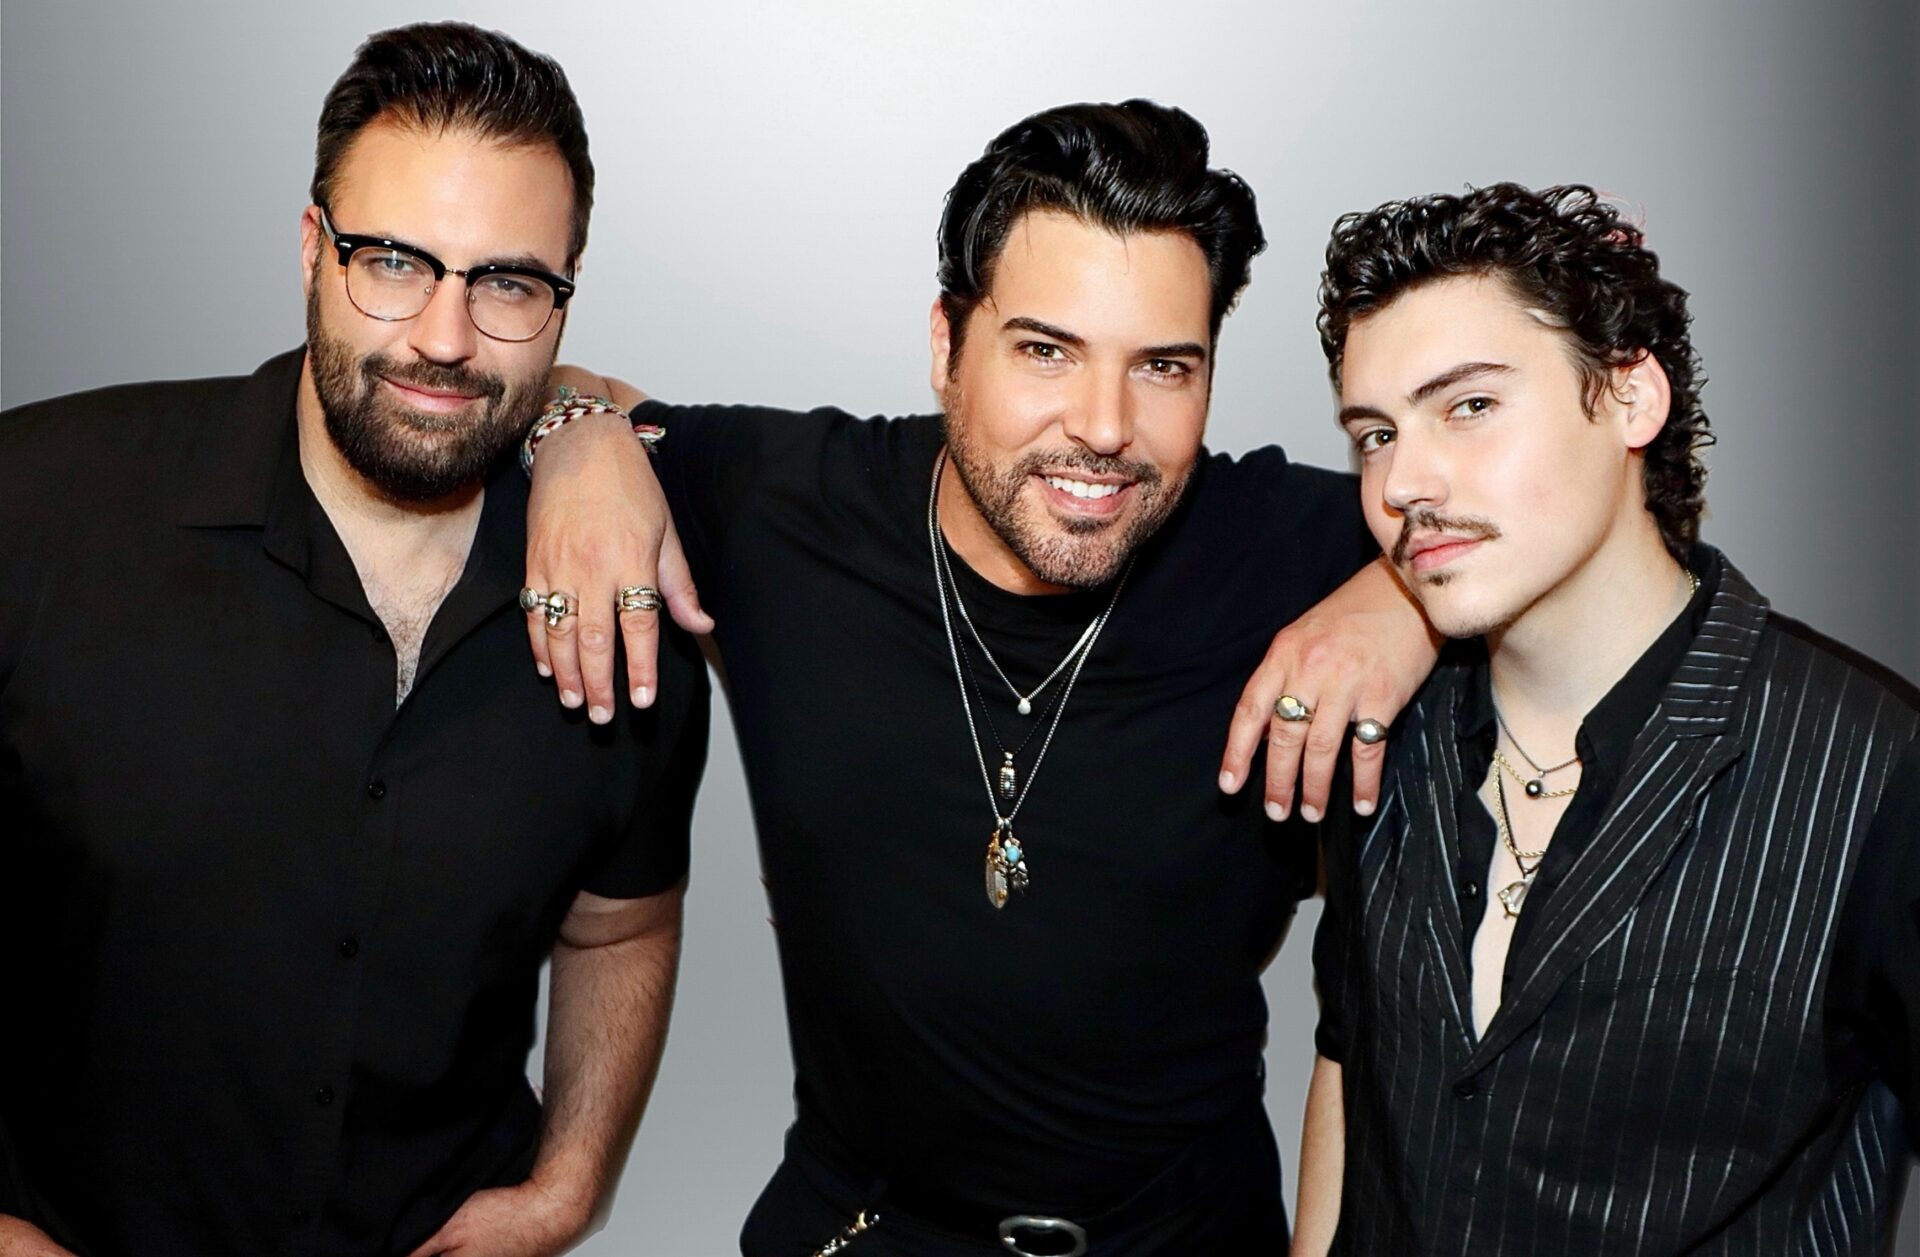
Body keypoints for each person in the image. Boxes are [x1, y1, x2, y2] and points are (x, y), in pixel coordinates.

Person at [523, 101, 1438, 1255]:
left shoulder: (1291, 551)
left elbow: (1579, 525)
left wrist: (1410, 601)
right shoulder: (786, 506)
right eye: (1045, 351)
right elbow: (550, 383)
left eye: (1163, 366)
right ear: (947, 343)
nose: (1103, 428)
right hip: (861, 1231)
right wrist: (581, 441)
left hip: (1190, 1239)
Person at [0, 23, 708, 1257]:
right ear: (311, 248)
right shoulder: (35, 509)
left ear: (563, 294)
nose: (444, 337)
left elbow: (622, 923)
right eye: (392, 262)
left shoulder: (625, 588)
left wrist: (569, 1186)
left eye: (507, 283)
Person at [1295, 183, 1920, 1254]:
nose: (1405, 481)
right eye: (1377, 434)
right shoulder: (1384, 734)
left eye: (1470, 406)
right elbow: (1351, 1070)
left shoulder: (1870, 767)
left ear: (1632, 397)